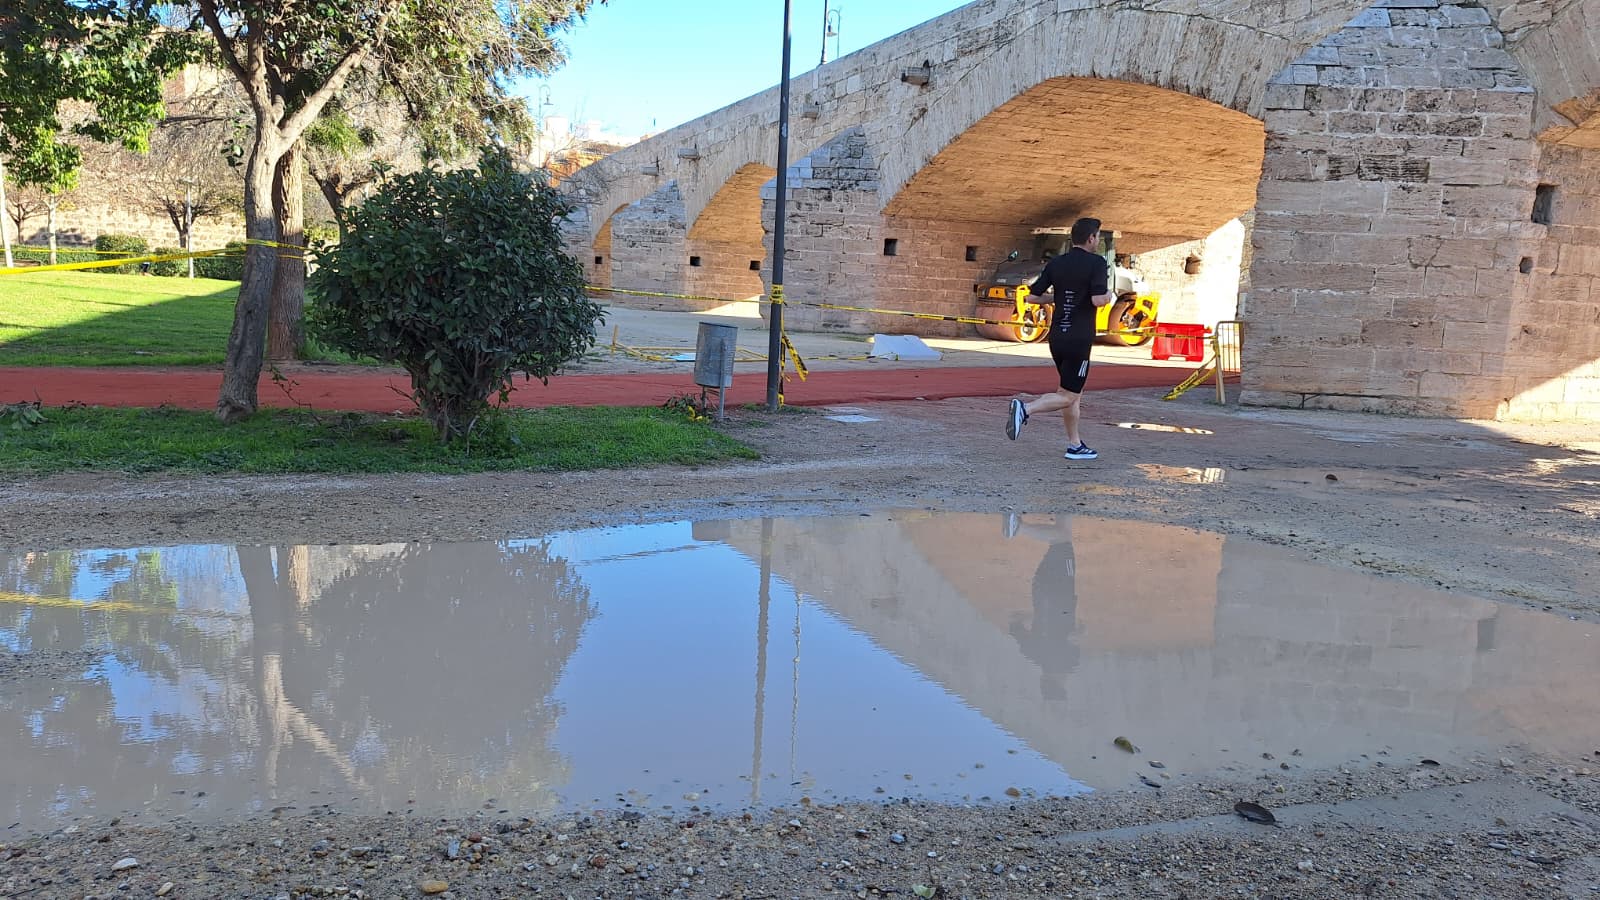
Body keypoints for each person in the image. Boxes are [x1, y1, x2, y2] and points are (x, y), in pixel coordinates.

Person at [1005, 217, 1114, 460]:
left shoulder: (1057, 263)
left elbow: (1033, 298)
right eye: (1097, 237)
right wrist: (1109, 295)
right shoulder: (1096, 263)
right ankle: (1025, 409)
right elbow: (1098, 300)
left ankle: (1075, 445)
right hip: (1079, 338)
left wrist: (1061, 298)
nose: (1097, 241)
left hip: (1058, 337)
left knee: (1069, 392)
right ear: (1091, 238)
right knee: (1069, 395)